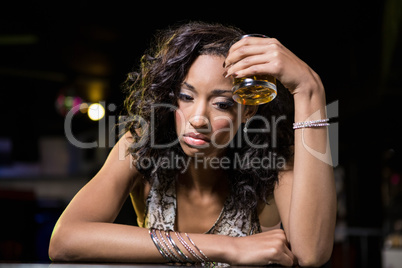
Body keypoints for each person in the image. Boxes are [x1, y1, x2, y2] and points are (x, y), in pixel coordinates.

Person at [48, 21, 336, 267]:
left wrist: (309, 87)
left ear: (248, 110)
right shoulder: (140, 146)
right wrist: (228, 247)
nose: (198, 118)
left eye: (222, 104)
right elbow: (64, 240)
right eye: (186, 97)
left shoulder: (273, 160)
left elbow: (311, 254)